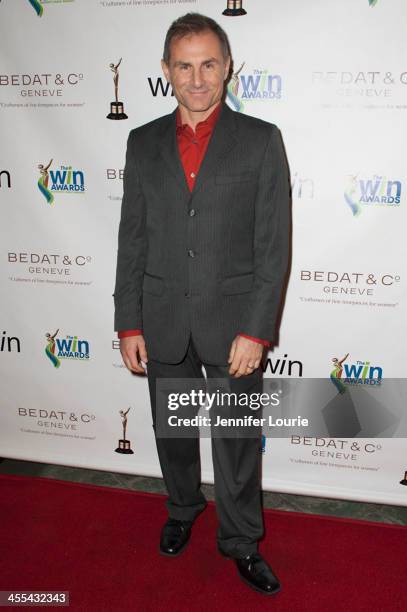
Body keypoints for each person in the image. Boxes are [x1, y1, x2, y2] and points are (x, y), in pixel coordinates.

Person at [113, 13, 290, 595]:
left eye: (208, 64)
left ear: (227, 67)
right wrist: (129, 321)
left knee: (237, 443)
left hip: (234, 323)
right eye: (184, 65)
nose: (196, 78)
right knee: (174, 432)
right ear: (166, 71)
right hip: (163, 317)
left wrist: (256, 329)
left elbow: (272, 246)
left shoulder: (262, 140)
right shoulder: (141, 142)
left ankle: (241, 541)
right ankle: (183, 508)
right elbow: (132, 237)